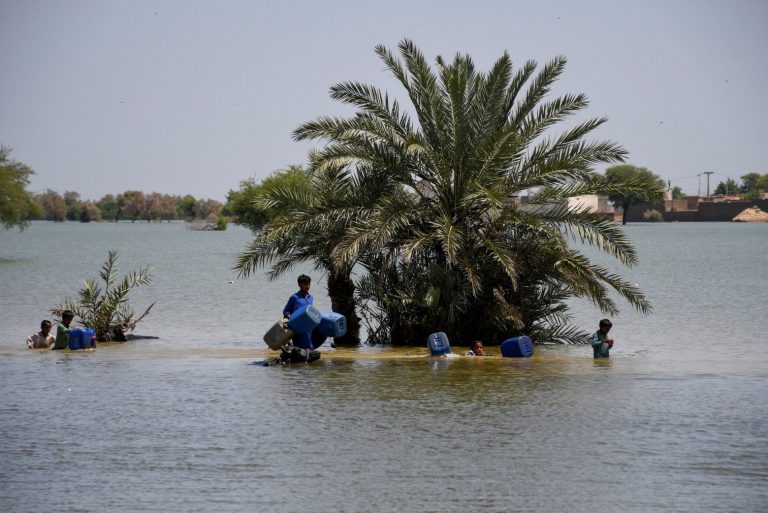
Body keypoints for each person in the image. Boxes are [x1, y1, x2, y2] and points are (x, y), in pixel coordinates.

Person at [282, 274, 314, 350]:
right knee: (303, 347)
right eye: (305, 284)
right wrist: (290, 317)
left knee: (307, 348)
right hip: (297, 327)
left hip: (308, 327)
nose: (308, 286)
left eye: (309, 284)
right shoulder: (294, 297)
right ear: (300, 285)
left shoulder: (311, 298)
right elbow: (286, 311)